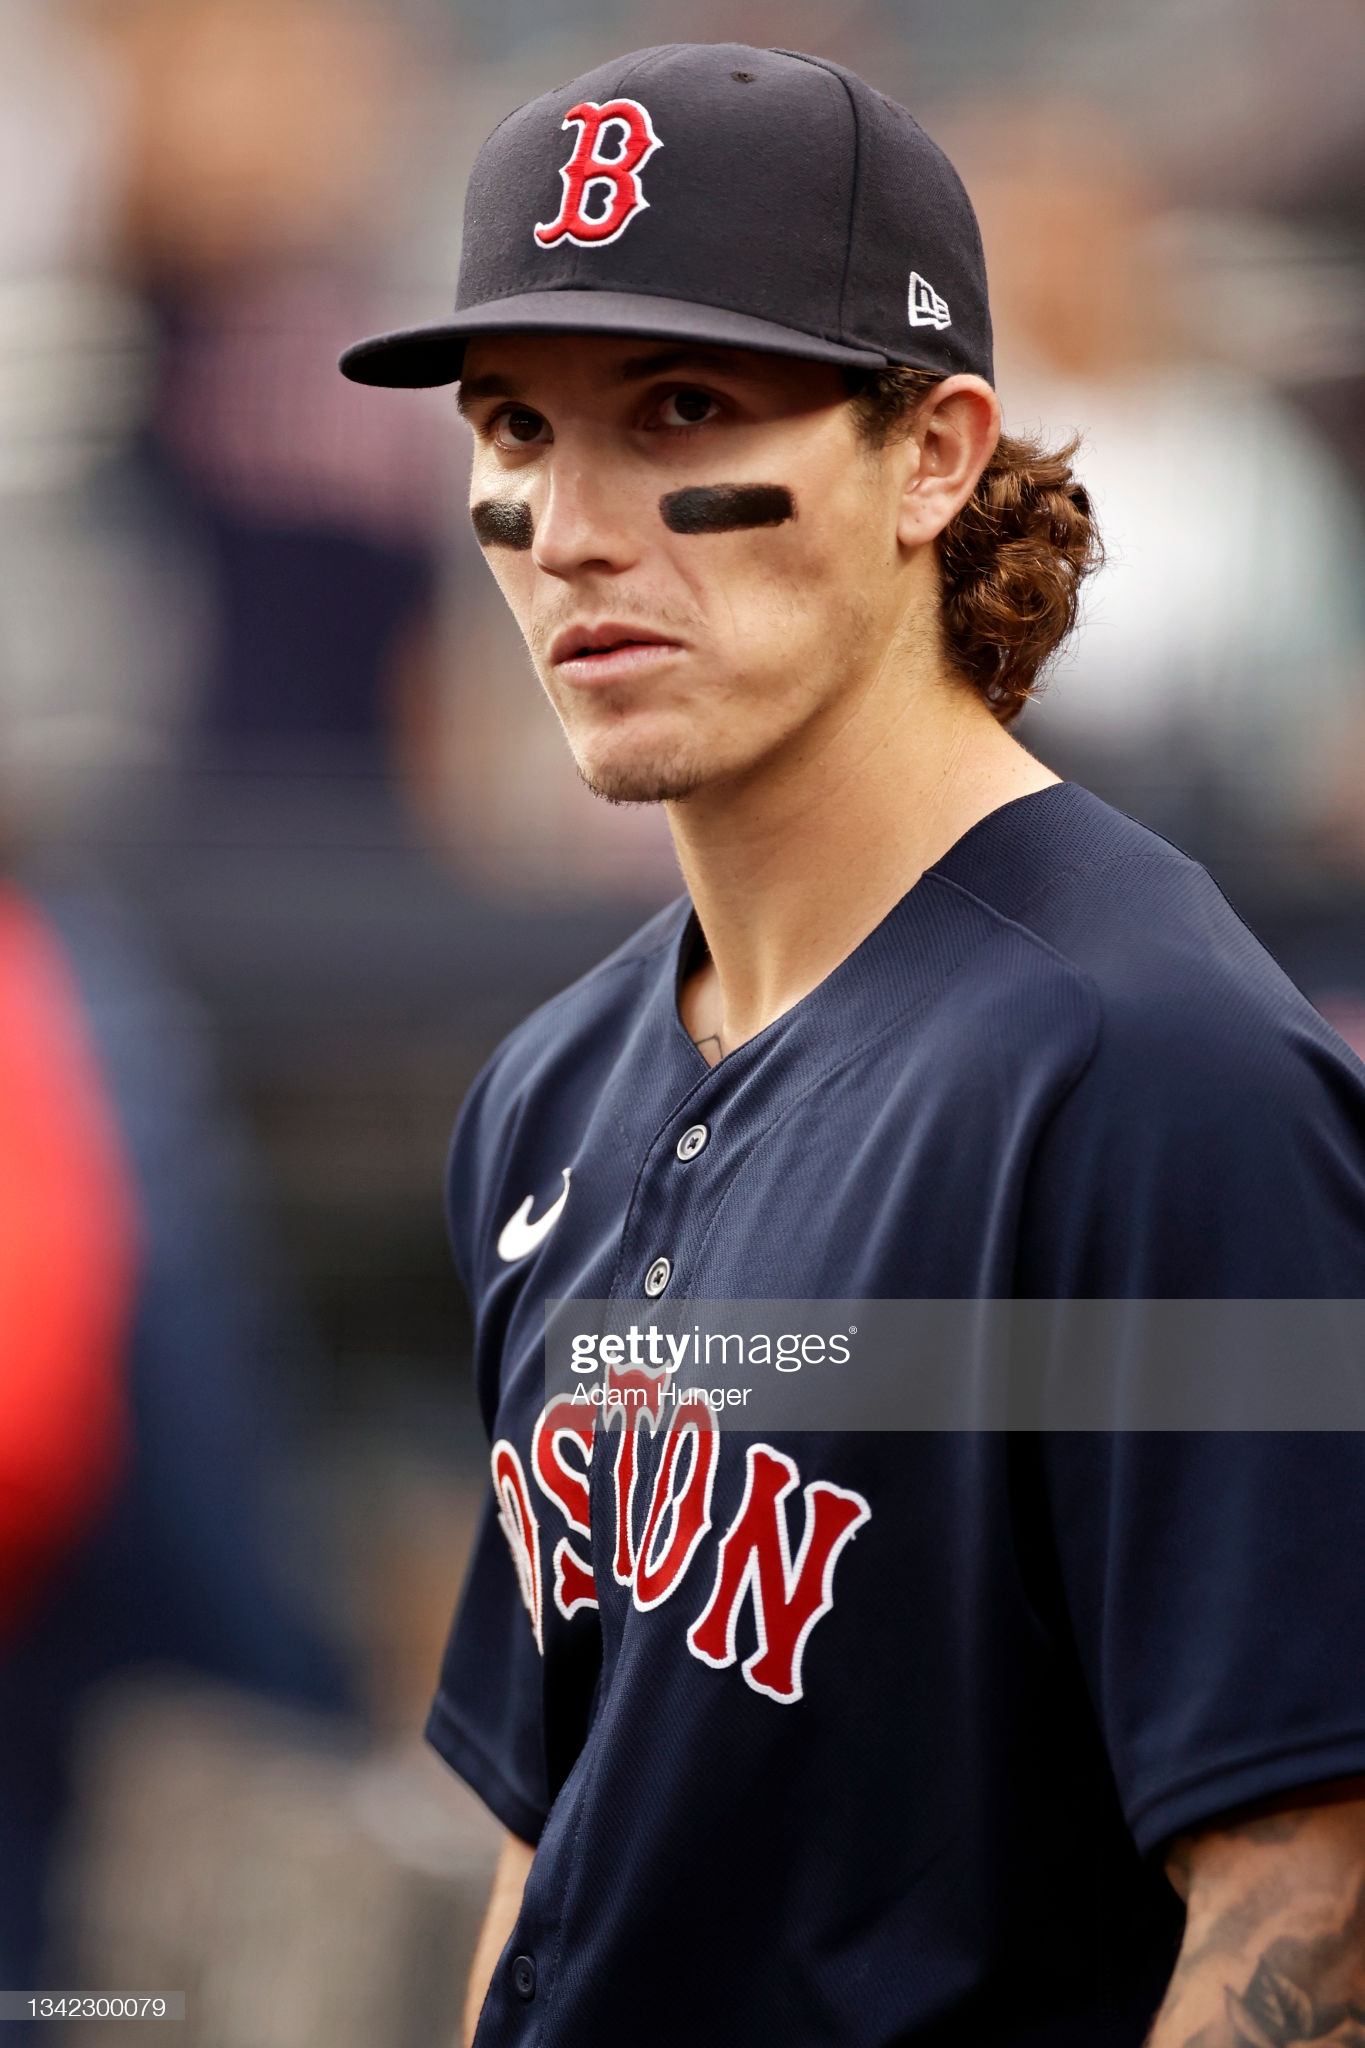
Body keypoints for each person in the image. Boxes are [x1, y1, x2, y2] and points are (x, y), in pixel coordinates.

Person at [341, 44, 1365, 2048]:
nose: (568, 520)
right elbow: (553, 1840)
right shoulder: (547, 1089)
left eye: (682, 411)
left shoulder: (1155, 1073)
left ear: (931, 453)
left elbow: (1307, 1885)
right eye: (513, 429)